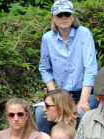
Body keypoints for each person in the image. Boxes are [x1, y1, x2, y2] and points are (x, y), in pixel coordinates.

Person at [38, 0, 98, 128]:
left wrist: (83, 100)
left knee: (82, 114)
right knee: (40, 114)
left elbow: (91, 68)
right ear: (53, 18)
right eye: (60, 15)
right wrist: (54, 96)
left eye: (67, 14)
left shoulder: (84, 33)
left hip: (86, 92)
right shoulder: (47, 38)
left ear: (73, 16)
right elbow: (44, 68)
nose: (64, 17)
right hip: (62, 94)